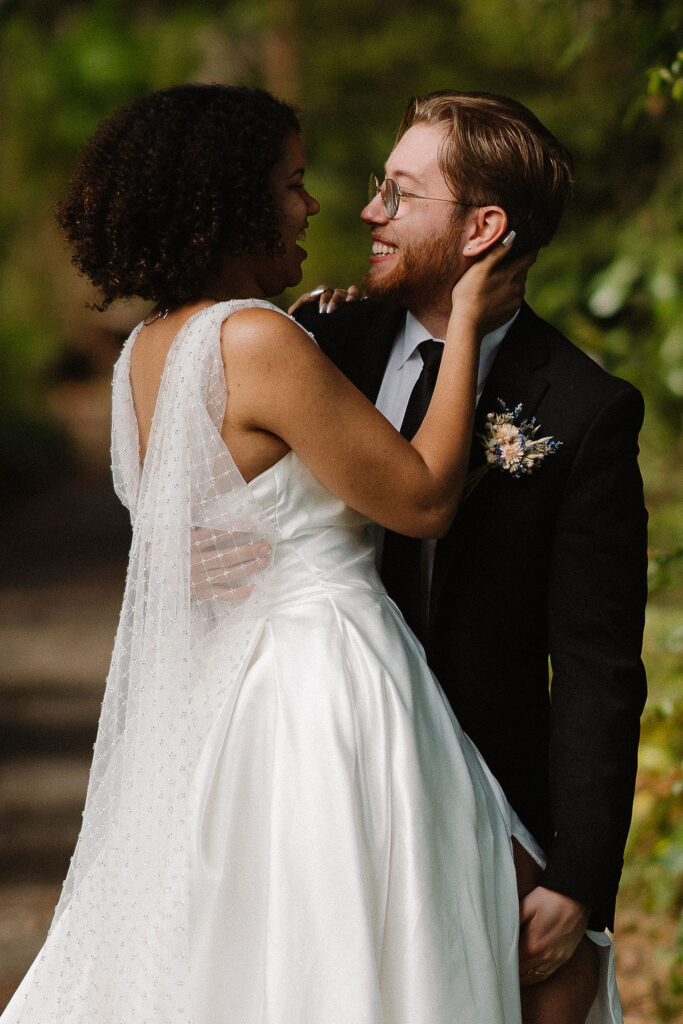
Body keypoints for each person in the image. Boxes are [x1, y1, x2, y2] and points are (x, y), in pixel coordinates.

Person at [1, 83, 554, 1024]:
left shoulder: (149, 349)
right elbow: (420, 500)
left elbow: (194, 551)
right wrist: (464, 322)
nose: (314, 204)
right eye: (292, 183)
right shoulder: (255, 338)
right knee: (402, 949)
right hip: (324, 689)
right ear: (230, 198)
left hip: (236, 692)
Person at [291, 91, 648, 1024]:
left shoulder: (580, 409)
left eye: (399, 193)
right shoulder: (318, 345)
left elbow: (597, 665)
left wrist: (579, 877)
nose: (369, 212)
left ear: (483, 228)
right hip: (312, 783)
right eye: (378, 188)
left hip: (482, 813)